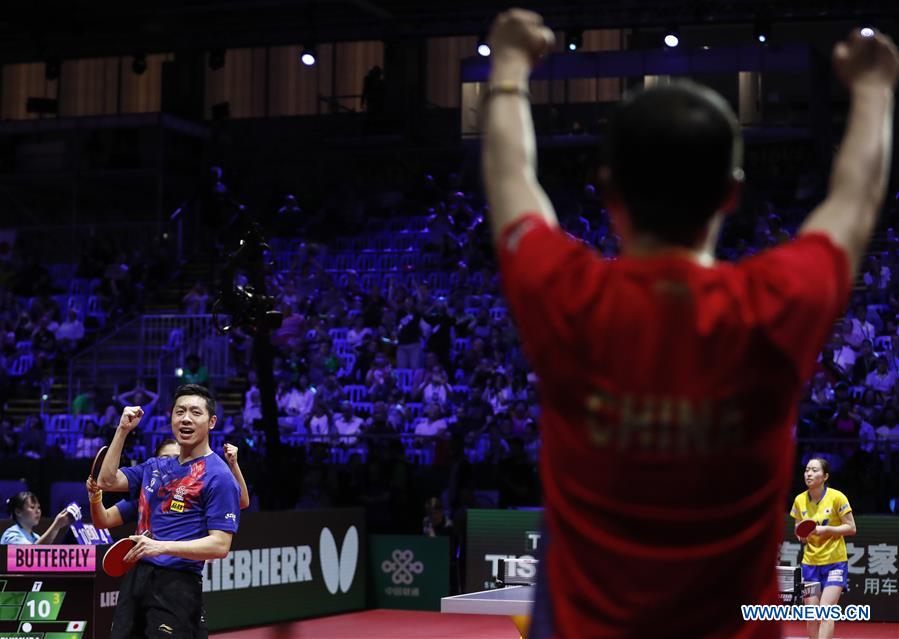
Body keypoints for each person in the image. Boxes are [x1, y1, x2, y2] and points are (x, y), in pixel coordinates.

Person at [482, 9, 898, 639]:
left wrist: (509, 64)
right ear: (731, 193)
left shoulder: (566, 295)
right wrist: (873, 89)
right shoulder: (772, 306)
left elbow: (509, 178)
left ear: (608, 190)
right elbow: (856, 201)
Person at [97, 384, 240, 639]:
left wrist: (160, 547)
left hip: (177, 584)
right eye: (180, 411)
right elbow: (107, 481)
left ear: (212, 422)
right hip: (136, 578)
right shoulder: (156, 466)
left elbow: (220, 545)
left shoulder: (219, 476)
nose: (186, 418)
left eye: (196, 412)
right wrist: (122, 430)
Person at [791, 458, 856, 639]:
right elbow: (798, 530)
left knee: (826, 611)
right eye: (807, 470)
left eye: (814, 470)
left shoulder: (837, 497)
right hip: (810, 563)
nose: (809, 474)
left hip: (835, 563)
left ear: (825, 476)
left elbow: (851, 528)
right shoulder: (799, 500)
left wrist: (826, 530)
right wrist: (802, 535)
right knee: (812, 615)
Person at [1, 491, 74, 545]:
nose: (38, 511)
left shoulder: (35, 537)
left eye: (38, 507)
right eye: (32, 507)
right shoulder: (12, 535)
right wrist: (57, 525)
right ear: (18, 512)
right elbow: (31, 554)